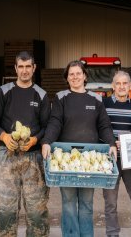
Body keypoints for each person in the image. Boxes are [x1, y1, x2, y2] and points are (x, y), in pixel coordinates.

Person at [41, 60, 117, 237]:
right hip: (66, 160)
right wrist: (46, 141)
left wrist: (111, 143)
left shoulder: (96, 99)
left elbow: (104, 125)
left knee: (86, 203)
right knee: (68, 203)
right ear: (67, 78)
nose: (75, 77)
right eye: (71, 74)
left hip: (88, 161)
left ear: (84, 76)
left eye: (78, 73)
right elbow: (55, 122)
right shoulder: (61, 98)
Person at [0, 51, 51, 237]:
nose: (24, 71)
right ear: (15, 68)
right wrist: (4, 137)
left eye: (28, 66)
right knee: (4, 207)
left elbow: (49, 127)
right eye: (20, 67)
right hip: (7, 157)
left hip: (34, 159)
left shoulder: (41, 95)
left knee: (37, 209)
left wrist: (35, 139)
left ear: (34, 68)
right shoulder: (4, 92)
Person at [102, 71, 131, 237]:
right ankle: (112, 233)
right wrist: (112, 143)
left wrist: (126, 142)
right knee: (110, 202)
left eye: (125, 83)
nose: (121, 86)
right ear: (113, 86)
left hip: (130, 159)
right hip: (109, 160)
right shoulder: (103, 104)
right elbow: (101, 128)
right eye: (118, 83)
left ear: (130, 86)